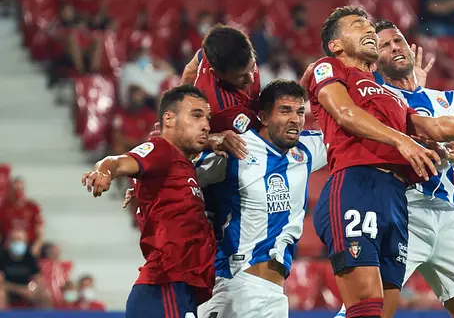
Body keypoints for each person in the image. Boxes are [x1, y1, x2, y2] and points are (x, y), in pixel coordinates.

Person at [305, 6, 454, 318]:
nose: (390, 45)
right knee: (367, 306)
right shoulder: (337, 73)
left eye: (397, 40)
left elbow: (448, 137)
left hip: (428, 207)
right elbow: (344, 112)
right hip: (385, 195)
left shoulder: (430, 99)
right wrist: (403, 139)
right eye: (383, 43)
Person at [193, 79, 327, 318]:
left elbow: (353, 131)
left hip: (275, 295)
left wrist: (412, 95)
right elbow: (178, 170)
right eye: (285, 111)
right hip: (234, 287)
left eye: (299, 111)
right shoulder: (236, 148)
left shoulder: (306, 149)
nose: (295, 119)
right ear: (263, 117)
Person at [80, 84, 217, 317]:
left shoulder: (184, 167)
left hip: (177, 288)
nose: (205, 125)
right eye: (196, 115)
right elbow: (117, 161)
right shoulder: (161, 149)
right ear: (169, 119)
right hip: (164, 287)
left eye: (207, 118)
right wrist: (104, 172)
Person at [181, 24, 261, 142]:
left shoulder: (217, 51)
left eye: (252, 67)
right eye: (240, 76)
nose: (251, 79)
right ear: (217, 74)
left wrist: (179, 106)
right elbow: (264, 132)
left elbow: (190, 68)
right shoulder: (224, 108)